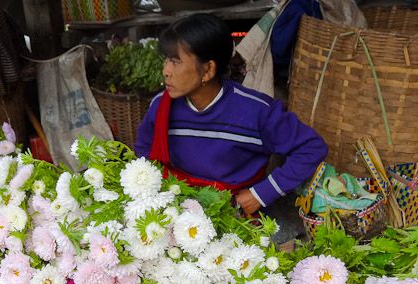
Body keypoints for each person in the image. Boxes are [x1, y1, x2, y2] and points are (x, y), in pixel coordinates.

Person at [134, 13, 327, 217]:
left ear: (207, 70)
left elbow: (311, 148)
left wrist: (261, 194)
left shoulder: (257, 111)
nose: (166, 70)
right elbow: (144, 151)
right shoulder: (161, 107)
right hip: (178, 210)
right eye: (166, 60)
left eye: (175, 61)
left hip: (235, 215)